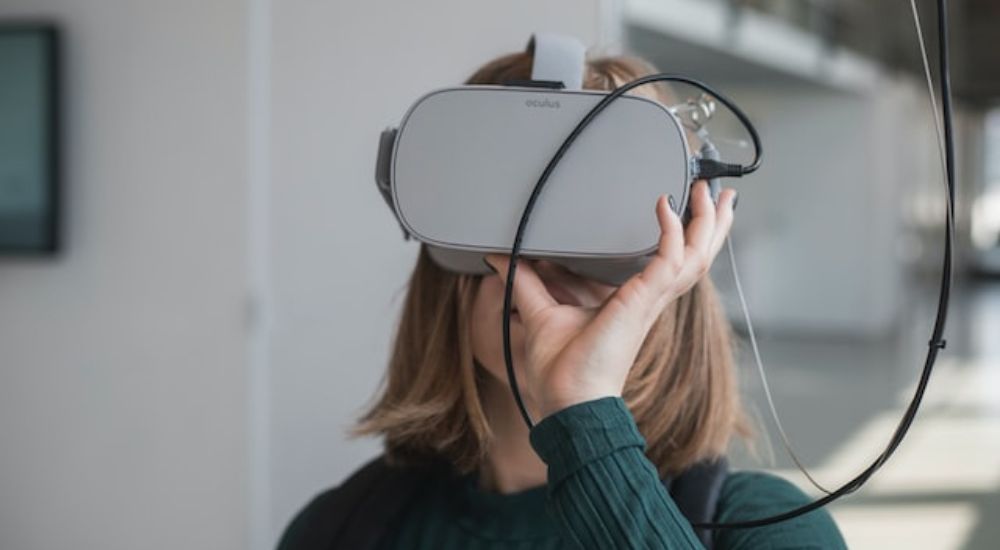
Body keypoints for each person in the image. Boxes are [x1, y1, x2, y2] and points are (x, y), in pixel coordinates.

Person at [277, 49, 846, 549]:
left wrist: (583, 409)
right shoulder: (338, 529)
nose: (544, 264)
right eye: (510, 207)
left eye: (599, 221)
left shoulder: (769, 528)